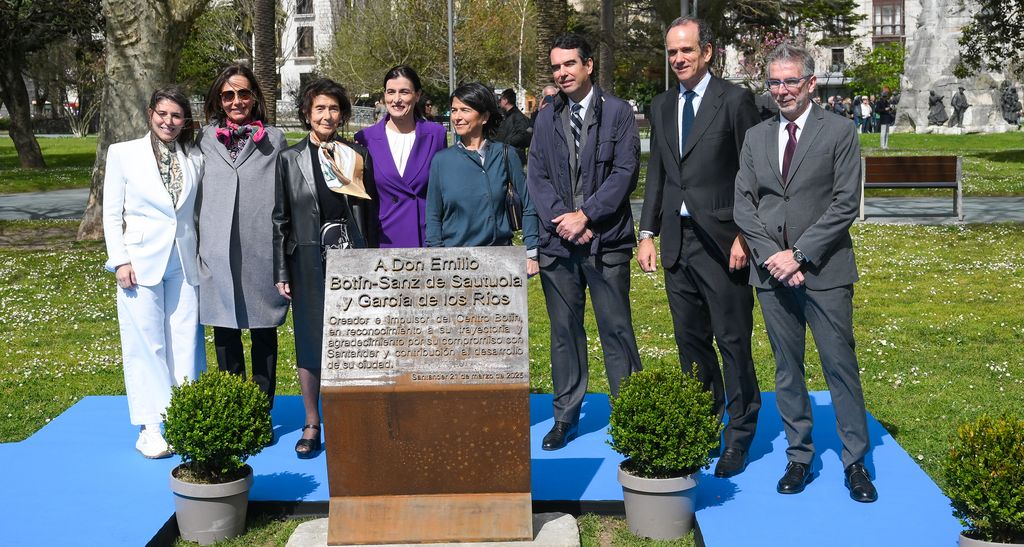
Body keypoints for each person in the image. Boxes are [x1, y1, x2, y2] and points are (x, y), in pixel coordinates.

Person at [732, 43, 877, 503]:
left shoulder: (839, 131)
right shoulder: (756, 137)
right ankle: (799, 455)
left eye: (790, 81)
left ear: (811, 83)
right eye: (774, 82)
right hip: (771, 275)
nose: (781, 90)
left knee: (840, 366)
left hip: (825, 271)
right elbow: (745, 204)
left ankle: (855, 461)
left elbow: (844, 204)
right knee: (787, 370)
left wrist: (799, 254)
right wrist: (773, 255)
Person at [637, 16, 762, 478]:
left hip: (725, 242)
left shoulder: (735, 101)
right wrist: (647, 232)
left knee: (733, 342)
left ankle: (740, 433)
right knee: (690, 343)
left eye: (686, 50)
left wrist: (746, 234)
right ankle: (703, 425)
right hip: (676, 242)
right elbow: (659, 174)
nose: (678, 59)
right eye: (672, 52)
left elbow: (753, 171)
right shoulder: (662, 103)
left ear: (707, 52)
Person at [527, 33, 643, 451]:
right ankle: (565, 416)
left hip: (605, 241)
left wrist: (587, 215)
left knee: (616, 329)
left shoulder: (619, 113)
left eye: (569, 65)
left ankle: (631, 415)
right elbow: (536, 175)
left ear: (588, 65)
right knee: (563, 333)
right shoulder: (545, 117)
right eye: (556, 67)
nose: (561, 73)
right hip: (559, 244)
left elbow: (626, 172)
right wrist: (564, 220)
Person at [273, 78, 379, 458]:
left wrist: (370, 259)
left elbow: (370, 211)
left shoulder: (356, 154)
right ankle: (312, 421)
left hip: (352, 259)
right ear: (307, 113)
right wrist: (282, 271)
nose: (327, 115)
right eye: (320, 108)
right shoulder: (288, 159)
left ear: (342, 114)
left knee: (354, 339)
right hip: (306, 260)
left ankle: (351, 418)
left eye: (334, 109)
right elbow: (279, 219)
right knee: (310, 339)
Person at [103, 86, 206, 458]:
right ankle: (150, 427)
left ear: (185, 121)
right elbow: (112, 213)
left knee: (185, 342)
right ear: (151, 114)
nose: (169, 122)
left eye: (177, 116)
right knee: (147, 343)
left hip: (184, 259)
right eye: (163, 114)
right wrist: (120, 259)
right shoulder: (123, 154)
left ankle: (182, 418)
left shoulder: (194, 156)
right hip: (139, 261)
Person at [196, 64, 288, 414]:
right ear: (219, 100)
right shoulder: (203, 139)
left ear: (254, 97)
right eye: (228, 95)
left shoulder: (275, 140)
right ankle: (236, 411)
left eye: (244, 93)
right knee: (225, 332)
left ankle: (261, 412)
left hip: (260, 249)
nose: (237, 101)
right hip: (217, 251)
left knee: (264, 331)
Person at [425, 82, 539, 275]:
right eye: (454, 110)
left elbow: (528, 205)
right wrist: (436, 256)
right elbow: (433, 214)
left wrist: (531, 252)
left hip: (499, 262)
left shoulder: (506, 155)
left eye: (465, 110)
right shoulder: (441, 161)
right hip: (455, 264)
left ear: (484, 117)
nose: (457, 117)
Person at [355, 65, 447, 248]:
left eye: (404, 92)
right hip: (383, 240)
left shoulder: (436, 135)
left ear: (417, 95)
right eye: (391, 92)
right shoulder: (365, 139)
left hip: (424, 240)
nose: (396, 99)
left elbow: (442, 191)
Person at [493, 88, 532, 164]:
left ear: (506, 101)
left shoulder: (518, 117)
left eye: (501, 99)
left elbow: (522, 135)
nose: (499, 101)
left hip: (514, 158)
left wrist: (505, 144)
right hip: (505, 156)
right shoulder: (506, 116)